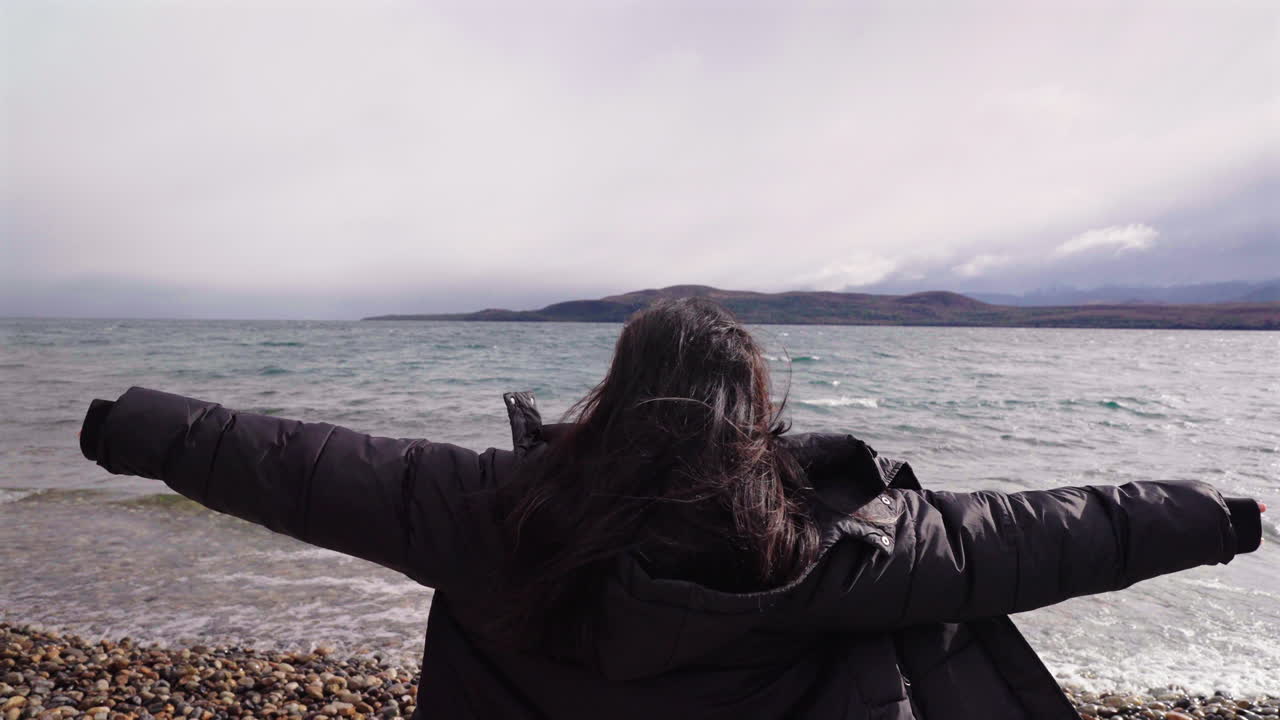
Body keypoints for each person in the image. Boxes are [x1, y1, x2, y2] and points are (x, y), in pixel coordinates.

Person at [77, 297, 1265, 720]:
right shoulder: (831, 545)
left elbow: (295, 461)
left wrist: (132, 426)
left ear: (617, 387)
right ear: (748, 405)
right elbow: (1042, 531)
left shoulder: (488, 505)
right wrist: (1209, 515)